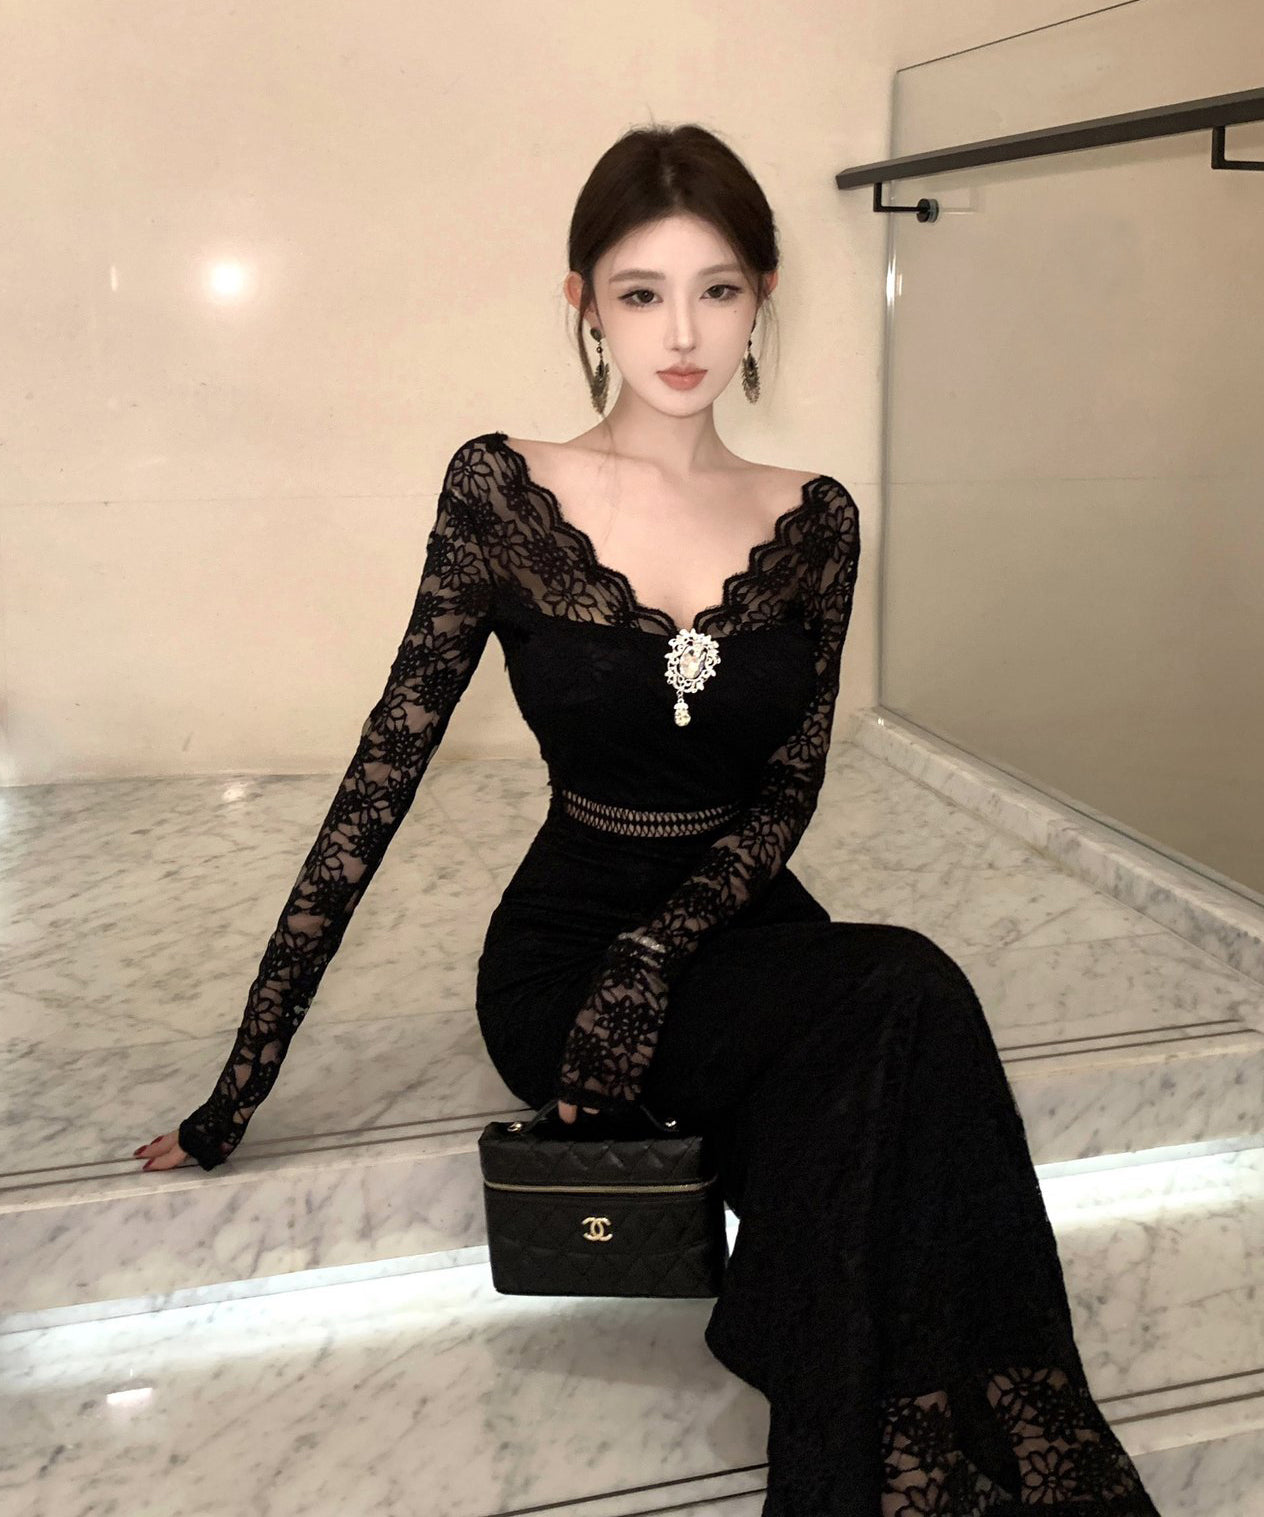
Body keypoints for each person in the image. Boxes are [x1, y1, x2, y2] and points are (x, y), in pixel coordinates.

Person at [135, 124, 1161, 1515]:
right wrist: (237, 1089)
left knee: (889, 1033)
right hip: (563, 956)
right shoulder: (502, 491)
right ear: (584, 303)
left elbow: (788, 785)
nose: (682, 333)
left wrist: (658, 954)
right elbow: (384, 776)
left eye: (718, 289)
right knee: (903, 995)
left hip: (729, 924)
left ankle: (912, 1455)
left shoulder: (815, 519)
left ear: (763, 296)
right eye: (641, 292)